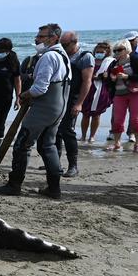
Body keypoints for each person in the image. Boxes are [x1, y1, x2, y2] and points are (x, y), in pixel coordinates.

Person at [0, 23, 70, 199]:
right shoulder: (63, 55)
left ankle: (14, 184)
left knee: (22, 145)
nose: (37, 39)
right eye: (38, 36)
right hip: (58, 108)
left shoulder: (49, 56)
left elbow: (40, 88)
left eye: (41, 36)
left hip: (44, 108)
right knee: (48, 146)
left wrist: (24, 94)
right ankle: (54, 188)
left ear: (54, 38)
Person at [53, 31, 93, 177]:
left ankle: (73, 166)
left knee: (67, 131)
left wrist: (79, 103)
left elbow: (87, 82)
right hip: (58, 98)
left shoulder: (85, 57)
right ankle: (54, 163)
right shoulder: (61, 55)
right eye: (61, 44)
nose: (63, 47)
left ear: (75, 42)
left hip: (73, 99)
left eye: (66, 44)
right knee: (54, 131)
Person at [106, 41, 138, 153]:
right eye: (115, 50)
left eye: (119, 50)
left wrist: (127, 76)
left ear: (126, 49)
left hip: (137, 92)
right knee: (117, 120)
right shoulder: (114, 63)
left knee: (136, 119)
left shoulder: (135, 59)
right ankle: (116, 144)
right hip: (119, 94)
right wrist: (111, 78)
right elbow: (109, 82)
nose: (116, 52)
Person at [79, 41, 115, 143]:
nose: (99, 53)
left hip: (101, 90)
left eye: (101, 52)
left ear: (107, 52)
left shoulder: (110, 62)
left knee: (96, 115)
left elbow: (112, 77)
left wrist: (105, 77)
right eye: (97, 51)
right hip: (88, 89)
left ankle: (92, 136)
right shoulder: (90, 60)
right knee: (85, 114)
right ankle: (83, 136)